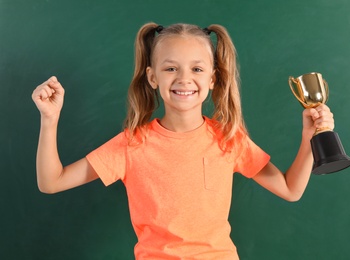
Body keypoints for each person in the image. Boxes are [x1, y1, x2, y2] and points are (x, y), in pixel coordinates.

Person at [31, 22, 334, 259]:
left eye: (197, 69)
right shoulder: (131, 144)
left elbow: (290, 189)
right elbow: (51, 181)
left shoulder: (228, 138)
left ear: (213, 79)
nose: (184, 79)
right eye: (171, 68)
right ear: (152, 78)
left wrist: (310, 137)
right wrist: (50, 119)